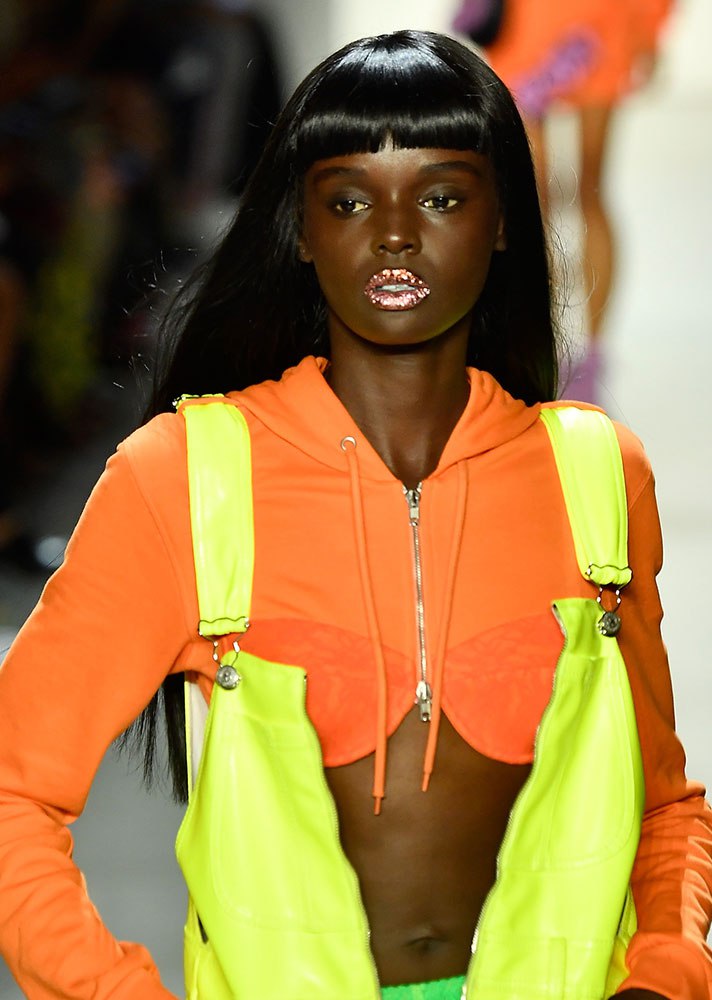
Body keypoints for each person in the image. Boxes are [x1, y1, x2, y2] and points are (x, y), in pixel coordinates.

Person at [0, 29, 710, 1000]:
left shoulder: (595, 476)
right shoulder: (186, 479)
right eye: (347, 200)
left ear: (504, 219)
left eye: (442, 196)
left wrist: (663, 974)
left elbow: (663, 808)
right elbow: (12, 788)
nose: (395, 233)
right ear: (300, 229)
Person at [453, 0, 674, 401]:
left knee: (564, 194)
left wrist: (651, 24)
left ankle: (570, 352)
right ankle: (551, 347)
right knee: (554, 195)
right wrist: (652, 26)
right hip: (570, 23)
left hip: (579, 23)